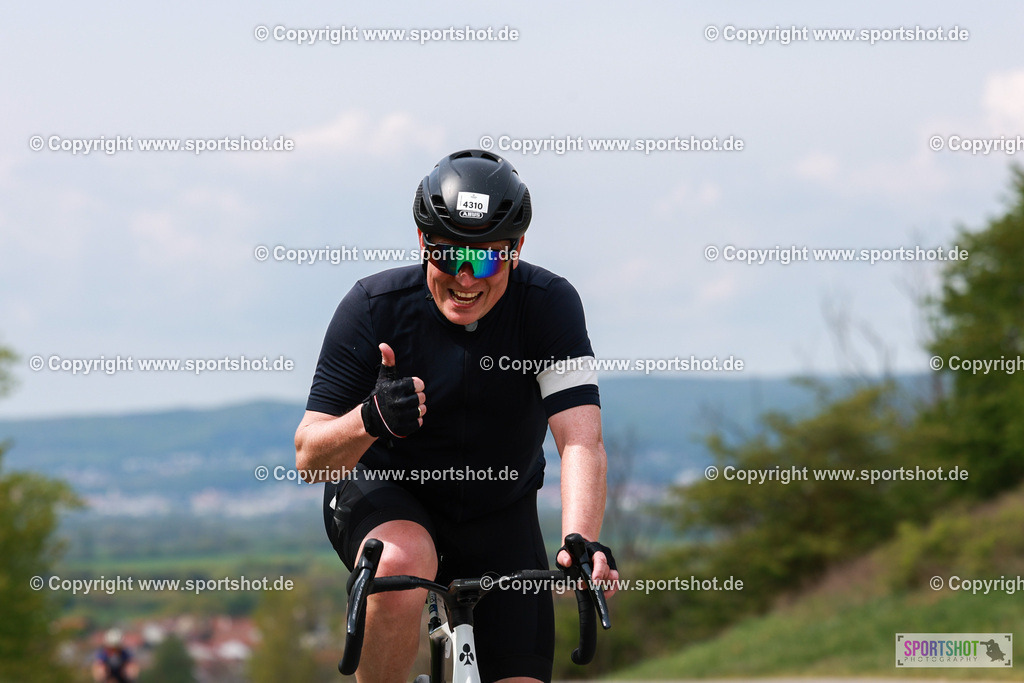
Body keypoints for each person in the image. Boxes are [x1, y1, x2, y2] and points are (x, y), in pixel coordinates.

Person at [295, 149, 618, 683]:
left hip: (498, 509)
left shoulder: (549, 306)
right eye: (448, 256)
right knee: (403, 561)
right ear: (423, 243)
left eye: (487, 259)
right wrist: (368, 420)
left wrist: (579, 539)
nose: (466, 279)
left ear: (516, 250)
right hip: (389, 495)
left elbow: (580, 441)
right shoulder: (374, 307)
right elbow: (310, 459)